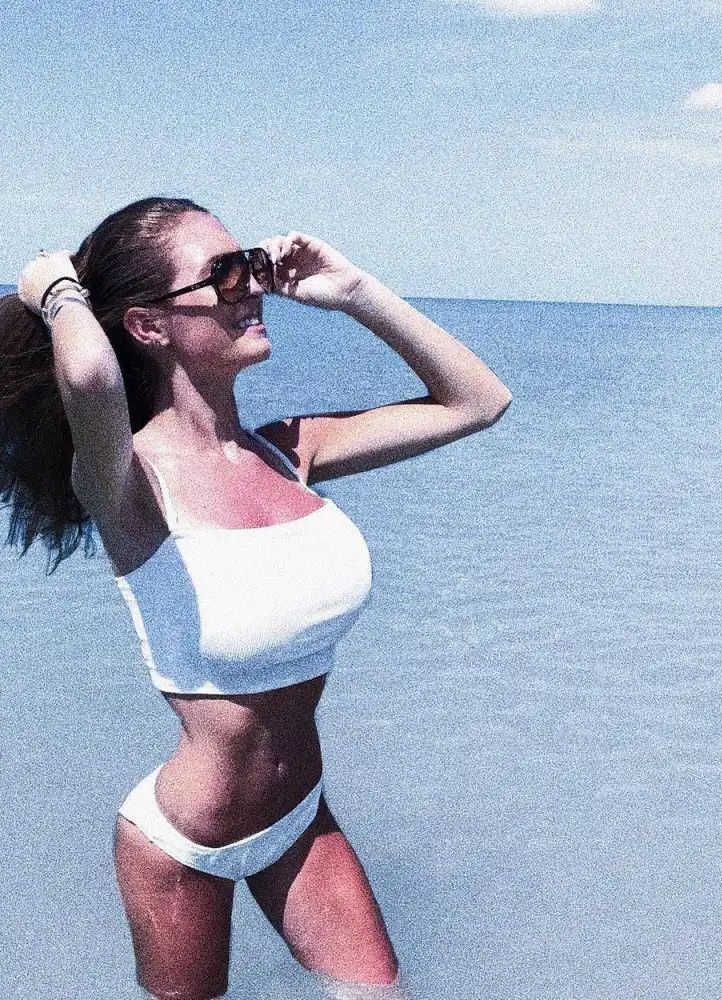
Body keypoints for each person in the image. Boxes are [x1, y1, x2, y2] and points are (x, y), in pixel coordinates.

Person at [3, 196, 511, 1000]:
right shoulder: (127, 483)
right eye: (224, 274)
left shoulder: (288, 451)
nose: (252, 288)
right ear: (148, 325)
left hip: (301, 817)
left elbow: (478, 401)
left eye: (250, 266)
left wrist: (354, 291)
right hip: (182, 847)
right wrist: (55, 290)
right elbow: (91, 376)